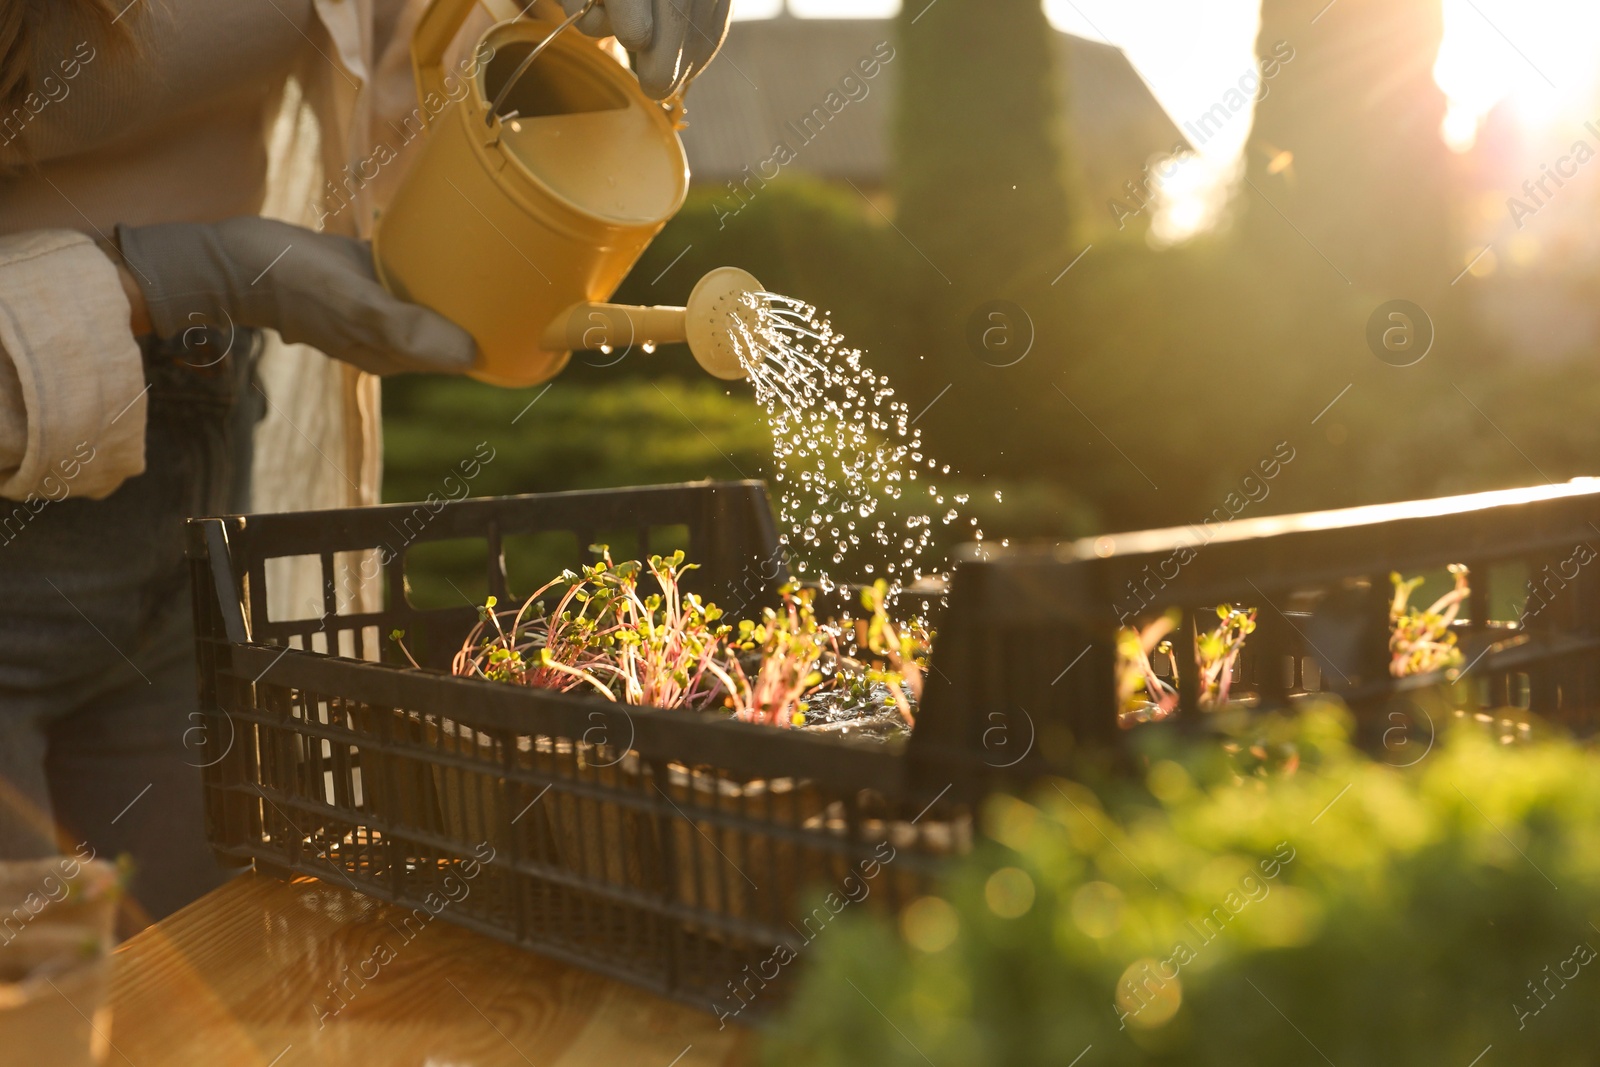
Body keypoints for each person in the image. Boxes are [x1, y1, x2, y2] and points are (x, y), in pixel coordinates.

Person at [0, 0, 732, 928]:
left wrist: (521, 21)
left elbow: (398, 58)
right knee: (34, 1003)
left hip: (193, 466)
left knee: (211, 989)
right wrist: (176, 275)